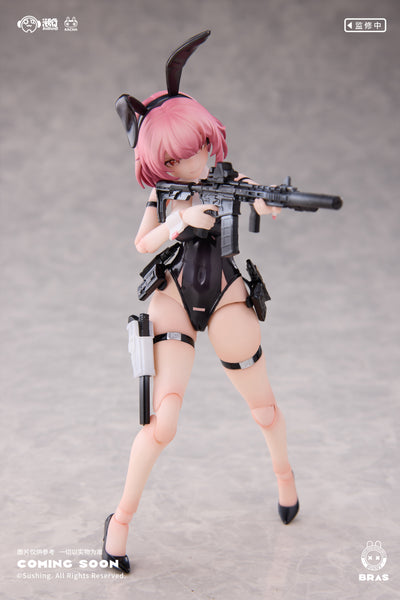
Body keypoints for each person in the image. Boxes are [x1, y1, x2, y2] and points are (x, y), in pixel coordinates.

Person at [102, 32, 299, 574]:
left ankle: (285, 478)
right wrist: (179, 220)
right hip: (173, 295)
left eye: (200, 147)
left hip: (227, 294)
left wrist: (270, 201)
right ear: (157, 161)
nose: (192, 160)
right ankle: (120, 520)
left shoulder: (228, 179)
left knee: (263, 407)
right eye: (175, 156)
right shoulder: (162, 193)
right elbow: (142, 243)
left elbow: (258, 196)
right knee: (163, 420)